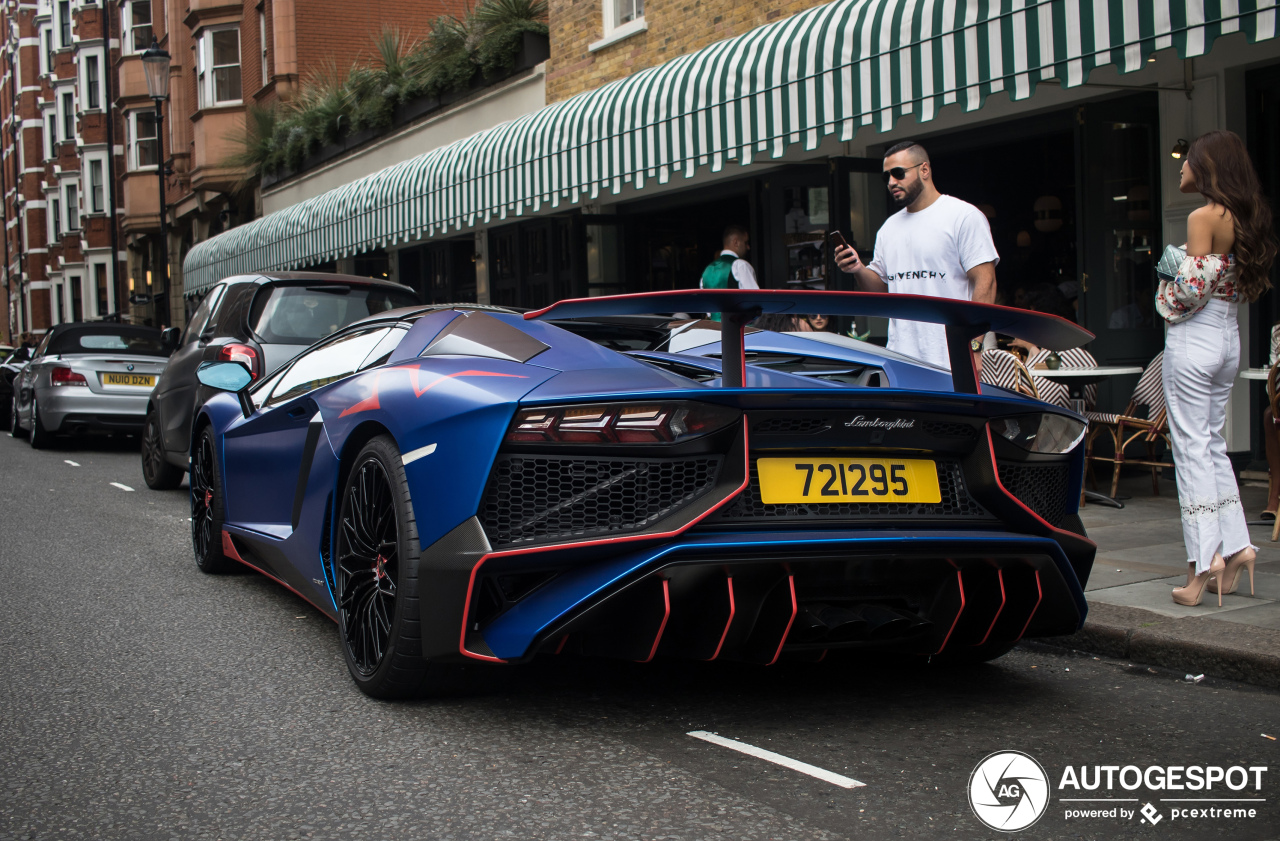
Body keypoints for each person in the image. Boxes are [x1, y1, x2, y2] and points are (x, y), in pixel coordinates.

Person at [1157, 130, 1277, 606]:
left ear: (1205, 166)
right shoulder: (1243, 216)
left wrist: (1168, 273)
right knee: (1213, 443)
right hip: (1229, 340)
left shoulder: (1202, 216)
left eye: (1186, 160)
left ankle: (1203, 565)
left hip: (1194, 340)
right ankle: (1239, 547)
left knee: (1189, 450)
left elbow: (1186, 294)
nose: (1180, 166)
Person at [833, 140, 998, 369]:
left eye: (898, 173)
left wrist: (975, 347)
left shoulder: (963, 216)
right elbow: (881, 292)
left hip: (953, 357)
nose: (892, 182)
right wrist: (858, 269)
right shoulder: (889, 228)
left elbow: (985, 282)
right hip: (901, 358)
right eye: (886, 176)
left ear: (924, 169)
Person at [700, 225, 759, 322]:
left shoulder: (707, 270)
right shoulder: (740, 265)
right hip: (740, 330)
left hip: (714, 330)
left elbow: (708, 310)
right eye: (746, 242)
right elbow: (756, 301)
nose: (748, 247)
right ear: (736, 242)